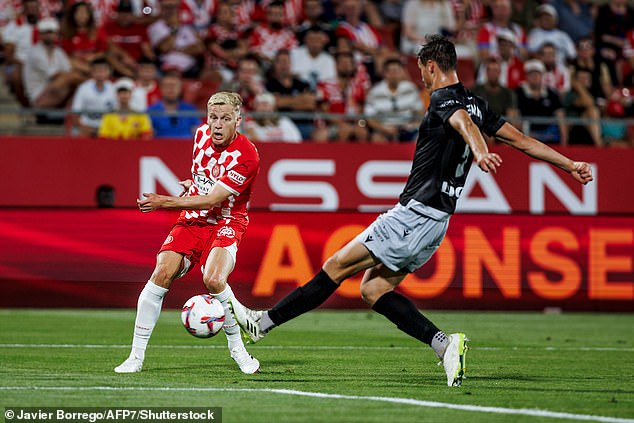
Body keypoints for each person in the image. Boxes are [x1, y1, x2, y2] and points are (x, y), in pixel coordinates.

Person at [229, 35, 593, 387]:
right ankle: (444, 345)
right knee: (372, 290)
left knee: (336, 266)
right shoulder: (478, 103)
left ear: (431, 66)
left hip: (415, 214)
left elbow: (462, 123)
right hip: (436, 223)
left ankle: (262, 323)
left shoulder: (443, 101)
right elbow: (524, 141)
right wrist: (570, 163)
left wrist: (480, 151)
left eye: (421, 68)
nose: (420, 76)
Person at [114, 91, 261, 375]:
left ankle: (238, 350)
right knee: (161, 273)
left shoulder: (247, 155)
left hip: (226, 221)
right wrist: (191, 183)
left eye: (225, 119)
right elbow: (201, 177)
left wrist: (162, 201)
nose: (217, 125)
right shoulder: (200, 136)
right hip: (193, 219)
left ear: (238, 121)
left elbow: (211, 200)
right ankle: (135, 357)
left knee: (214, 278)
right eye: (213, 118)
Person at [364, 58, 423, 143]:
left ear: (401, 72)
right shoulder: (375, 92)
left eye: (397, 71)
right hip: (384, 130)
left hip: (407, 128)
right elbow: (370, 118)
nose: (394, 75)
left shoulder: (411, 89)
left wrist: (413, 125)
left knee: (421, 138)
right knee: (376, 139)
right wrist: (384, 129)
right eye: (391, 71)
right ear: (385, 73)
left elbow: (420, 112)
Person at [515, 59, 567, 145]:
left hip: (549, 133)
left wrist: (564, 140)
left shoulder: (552, 93)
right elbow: (515, 115)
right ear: (526, 76)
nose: (535, 76)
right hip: (526, 133)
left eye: (537, 73)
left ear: (542, 75)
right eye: (531, 74)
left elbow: (560, 116)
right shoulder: (518, 93)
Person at [147, 71, 200, 139]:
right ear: (161, 89)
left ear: (180, 89)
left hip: (186, 147)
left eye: (174, 86)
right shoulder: (151, 111)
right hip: (159, 147)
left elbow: (198, 131)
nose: (170, 89)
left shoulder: (190, 109)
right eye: (167, 86)